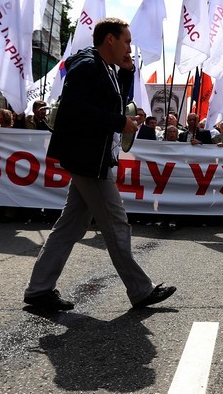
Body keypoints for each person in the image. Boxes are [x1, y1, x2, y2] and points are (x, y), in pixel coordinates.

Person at [24, 17, 175, 311]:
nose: (129, 47)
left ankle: (38, 290)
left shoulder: (107, 69)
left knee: (70, 226)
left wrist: (129, 73)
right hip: (87, 159)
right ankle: (140, 290)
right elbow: (74, 108)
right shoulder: (87, 63)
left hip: (94, 157)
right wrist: (119, 121)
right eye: (127, 41)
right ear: (110, 39)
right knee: (116, 222)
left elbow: (118, 102)